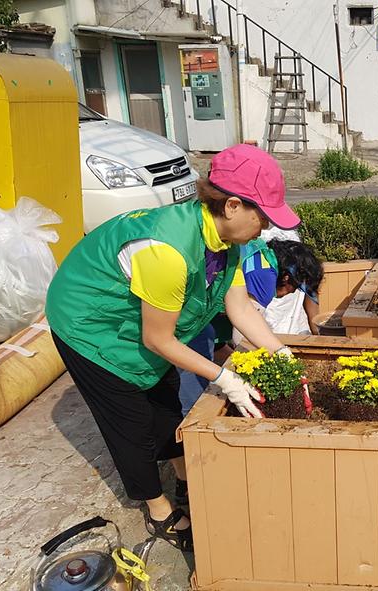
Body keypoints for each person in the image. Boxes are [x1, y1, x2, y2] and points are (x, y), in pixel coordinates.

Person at [45, 144, 300, 551]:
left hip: (137, 321)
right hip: (88, 323)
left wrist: (280, 351)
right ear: (233, 205)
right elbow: (158, 339)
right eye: (263, 216)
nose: (266, 227)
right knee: (130, 421)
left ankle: (186, 477)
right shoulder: (168, 250)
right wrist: (223, 377)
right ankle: (159, 510)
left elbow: (238, 307)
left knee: (163, 401)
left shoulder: (226, 243)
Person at [178, 238, 324, 412]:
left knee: (209, 337)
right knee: (198, 400)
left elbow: (225, 335)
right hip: (184, 318)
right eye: (295, 288)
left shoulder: (262, 253)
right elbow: (243, 336)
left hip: (195, 311)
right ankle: (194, 424)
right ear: (287, 277)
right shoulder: (266, 277)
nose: (291, 292)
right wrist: (267, 371)